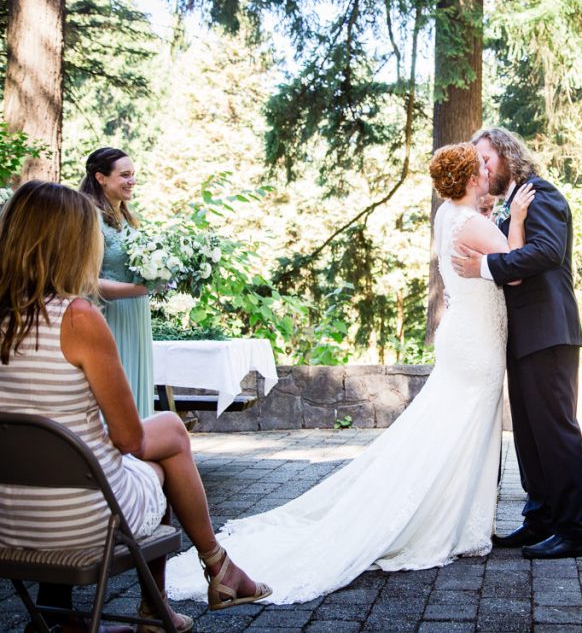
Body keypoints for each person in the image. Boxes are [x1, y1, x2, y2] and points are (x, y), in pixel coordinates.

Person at [166, 142, 534, 604]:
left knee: (452, 425)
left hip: (465, 332)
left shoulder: (448, 216)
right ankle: (452, 524)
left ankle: (461, 520)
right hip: (476, 340)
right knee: (463, 425)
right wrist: (516, 219)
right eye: (480, 167)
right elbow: (515, 272)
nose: (487, 170)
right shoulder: (475, 222)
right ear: (471, 179)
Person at [0, 181, 269, 633]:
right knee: (165, 442)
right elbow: (129, 439)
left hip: (9, 520)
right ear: (73, 243)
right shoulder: (78, 317)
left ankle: (61, 616)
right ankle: (184, 591)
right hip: (79, 524)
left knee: (150, 442)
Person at [451, 127, 582, 559]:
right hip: (522, 338)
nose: (482, 168)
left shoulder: (541, 194)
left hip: (550, 334)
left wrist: (486, 266)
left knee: (556, 434)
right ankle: (540, 520)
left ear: (508, 156)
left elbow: (548, 251)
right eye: (478, 162)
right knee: (530, 437)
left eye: (487, 159)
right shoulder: (507, 207)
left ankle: (573, 531)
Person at [79, 147, 156, 419]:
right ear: (100, 178)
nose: (132, 181)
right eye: (124, 175)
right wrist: (142, 289)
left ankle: (139, 454)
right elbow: (86, 282)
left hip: (134, 316)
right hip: (106, 316)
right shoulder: (89, 217)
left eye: (133, 175)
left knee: (135, 386)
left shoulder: (127, 218)